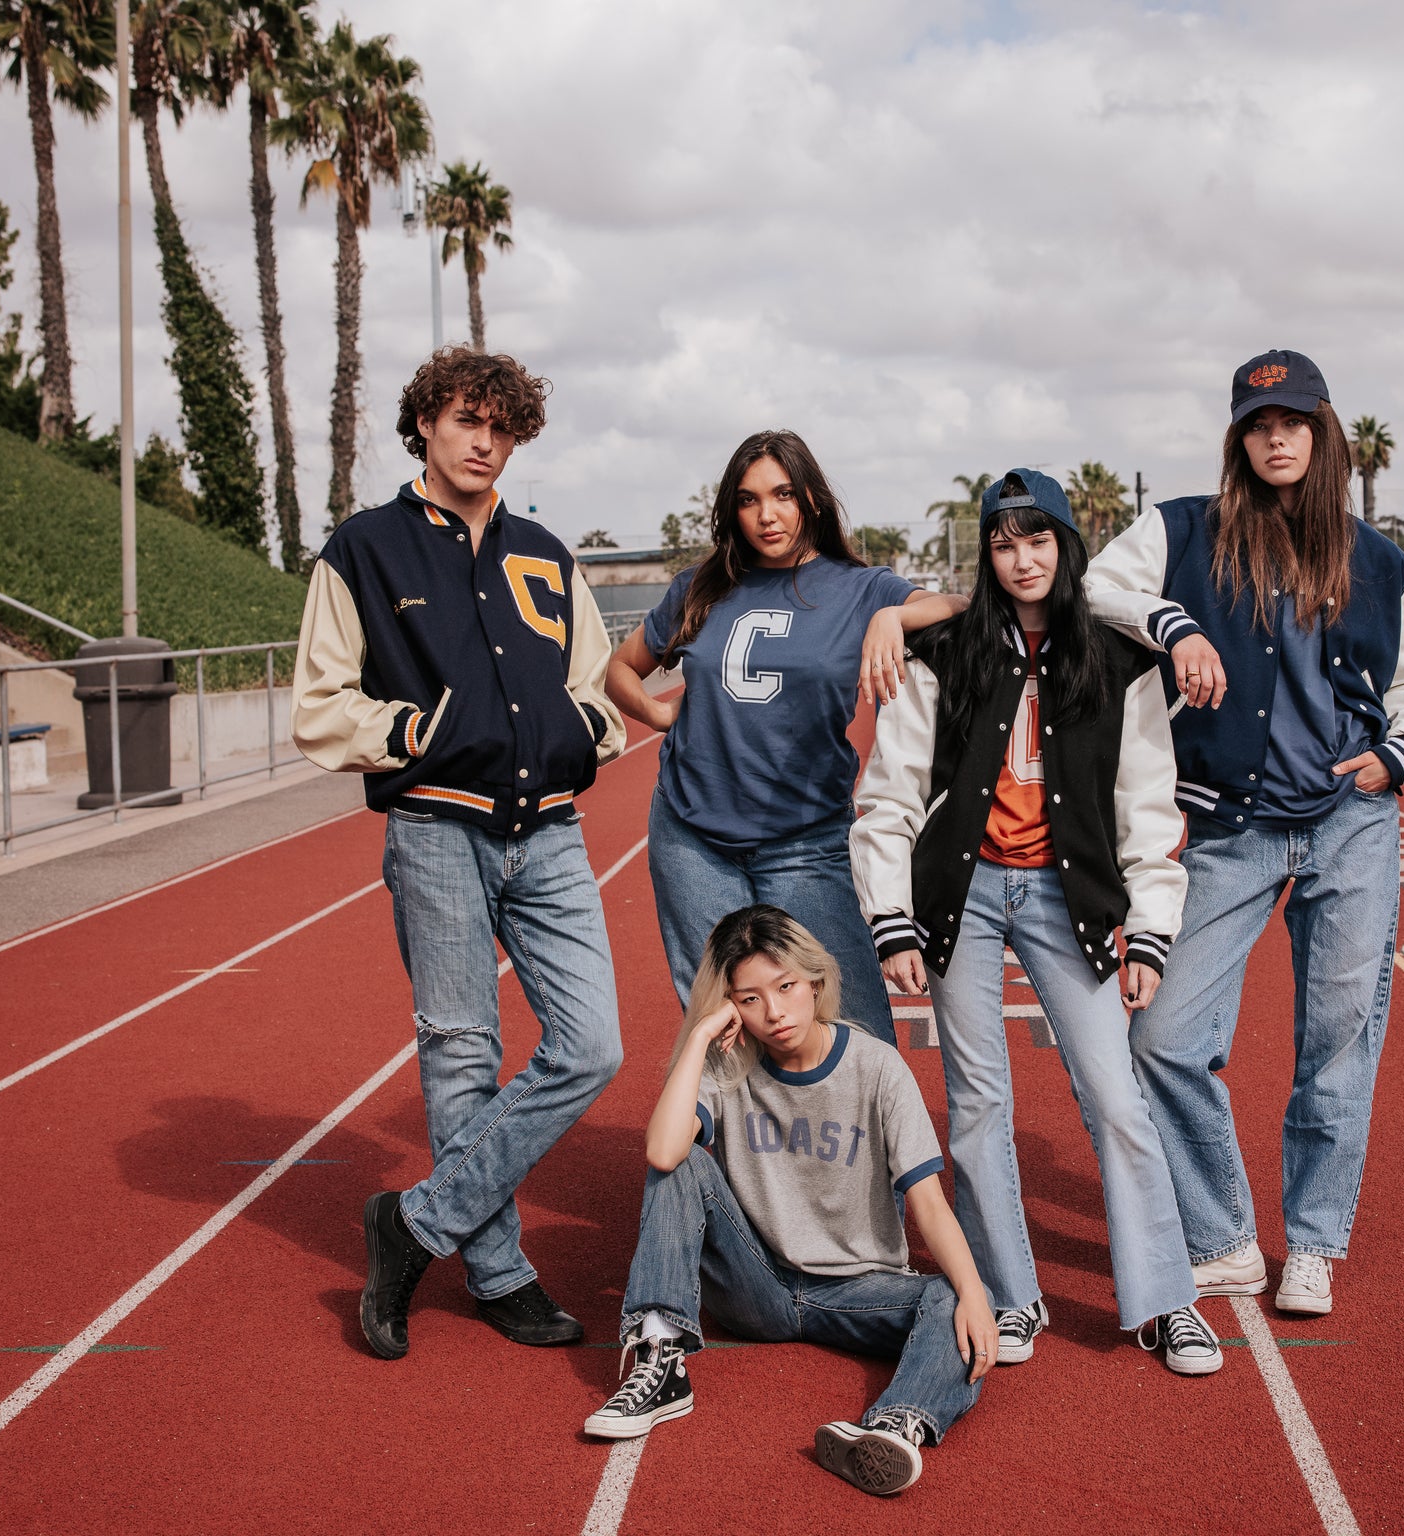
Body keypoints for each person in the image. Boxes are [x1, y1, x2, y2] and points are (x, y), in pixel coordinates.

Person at [1083, 349, 1404, 1315]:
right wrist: (1176, 626)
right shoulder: (1182, 531)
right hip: (1230, 828)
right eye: (1258, 422)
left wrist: (1398, 756)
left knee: (1337, 1042)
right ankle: (1227, 1239)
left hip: (1350, 822)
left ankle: (1317, 1241)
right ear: (1239, 437)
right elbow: (1094, 588)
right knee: (1163, 1035)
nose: (1275, 436)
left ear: (1323, 429)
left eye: (1292, 420)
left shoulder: (1376, 557)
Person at [850, 469, 1224, 1377]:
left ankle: (1167, 1301)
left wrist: (1152, 931)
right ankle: (1013, 1297)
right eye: (1004, 544)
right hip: (963, 897)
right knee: (978, 1103)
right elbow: (890, 798)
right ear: (986, 554)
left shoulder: (1116, 657)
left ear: (1066, 546)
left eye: (1039, 540)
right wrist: (892, 921)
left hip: (1072, 899)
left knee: (1115, 1096)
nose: (1022, 560)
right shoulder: (943, 651)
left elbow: (1145, 806)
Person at [292, 346, 626, 1359]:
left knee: (594, 1046)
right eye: (467, 421)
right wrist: (418, 734)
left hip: (552, 831)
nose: (486, 441)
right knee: (460, 1056)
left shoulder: (545, 552)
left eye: (503, 426)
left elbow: (601, 691)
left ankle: (415, 1223)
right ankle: (499, 1273)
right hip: (436, 829)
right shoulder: (366, 549)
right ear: (426, 426)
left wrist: (578, 732)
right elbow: (319, 707)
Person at [583, 906, 996, 1499]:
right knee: (680, 1163)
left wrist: (976, 1294)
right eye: (748, 999)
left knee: (953, 1297)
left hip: (858, 1289)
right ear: (729, 1006)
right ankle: (659, 1360)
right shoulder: (727, 1062)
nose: (774, 1013)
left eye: (785, 987)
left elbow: (929, 1205)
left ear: (815, 983)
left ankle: (894, 1426)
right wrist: (700, 1035)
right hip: (757, 1286)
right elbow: (663, 1150)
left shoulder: (877, 1067)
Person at [605, 430, 964, 1045]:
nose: (766, 514)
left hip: (807, 836)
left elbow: (960, 605)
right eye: (748, 500)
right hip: (693, 837)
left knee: (858, 1030)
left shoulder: (862, 588)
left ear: (812, 501)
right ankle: (720, 1147)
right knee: (721, 1031)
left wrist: (892, 616)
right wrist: (660, 715)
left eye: (783, 495)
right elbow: (618, 669)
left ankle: (878, 1145)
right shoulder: (700, 585)